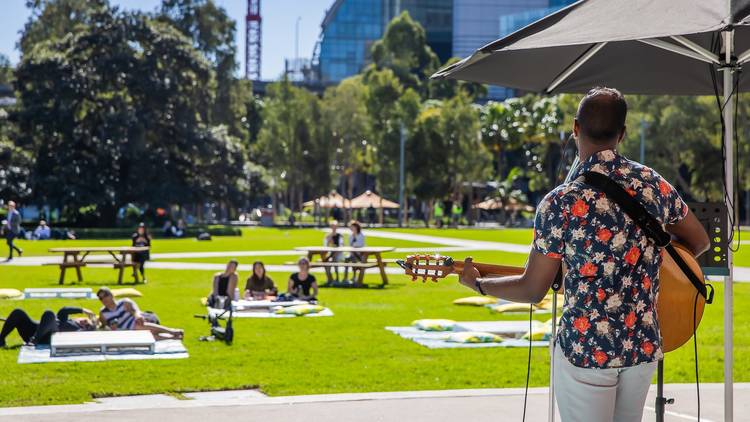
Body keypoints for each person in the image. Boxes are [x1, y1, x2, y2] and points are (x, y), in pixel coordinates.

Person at [458, 87, 710, 422]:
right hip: (641, 345)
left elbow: (533, 289)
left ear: (576, 128)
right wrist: (648, 260)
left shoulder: (561, 201)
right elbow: (700, 240)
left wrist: (479, 285)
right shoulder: (653, 183)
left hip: (587, 346)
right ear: (622, 134)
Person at [97, 287, 183, 339]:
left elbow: (136, 312)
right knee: (143, 334)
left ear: (111, 295)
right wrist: (111, 327)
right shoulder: (103, 312)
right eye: (101, 298)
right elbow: (105, 326)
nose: (104, 299)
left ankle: (172, 332)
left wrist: (138, 316)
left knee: (138, 325)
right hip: (125, 331)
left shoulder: (124, 302)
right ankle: (173, 337)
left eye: (105, 296)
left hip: (142, 322)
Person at [0, 306, 97, 347]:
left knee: (49, 313)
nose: (85, 322)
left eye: (87, 324)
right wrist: (83, 310)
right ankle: (1, 340)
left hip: (47, 337)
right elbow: (64, 310)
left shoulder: (77, 331)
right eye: (85, 320)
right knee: (18, 312)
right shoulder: (64, 318)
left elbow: (89, 333)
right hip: (31, 331)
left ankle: (34, 341)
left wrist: (91, 327)